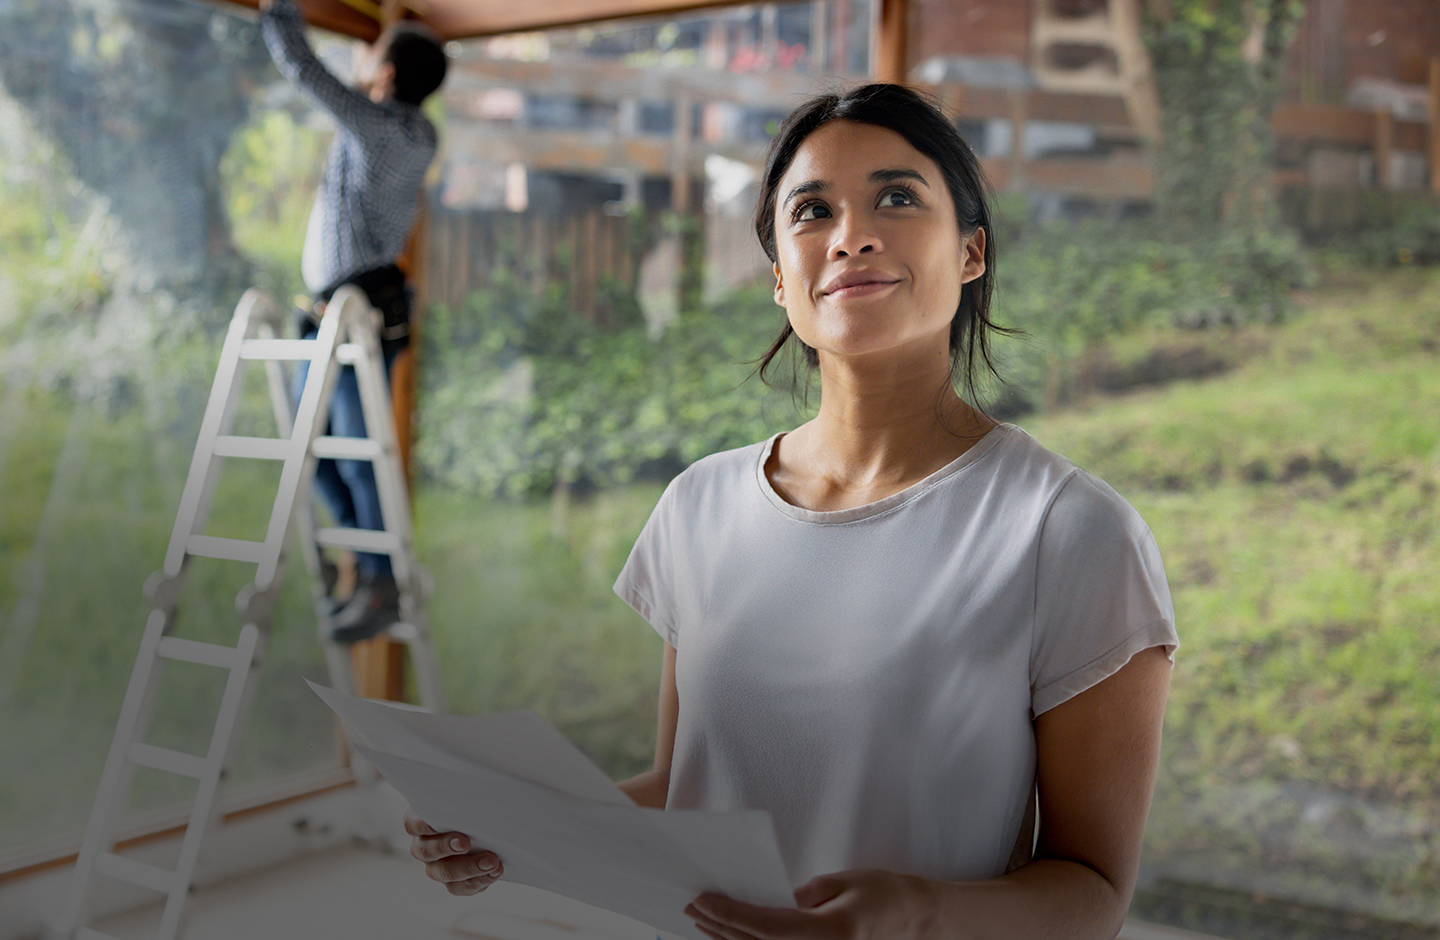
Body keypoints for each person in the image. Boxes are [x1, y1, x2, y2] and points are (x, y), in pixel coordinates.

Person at [407, 83, 1178, 940]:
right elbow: (689, 787)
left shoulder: (1068, 531)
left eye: (896, 197)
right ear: (781, 278)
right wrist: (514, 828)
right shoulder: (698, 504)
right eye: (812, 211)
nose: (852, 235)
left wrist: (919, 914)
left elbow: (1094, 890)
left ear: (971, 251)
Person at [259, 0, 446, 643]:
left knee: (353, 455)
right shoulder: (418, 133)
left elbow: (304, 69)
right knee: (315, 454)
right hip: (350, 307)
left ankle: (378, 581)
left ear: (387, 75)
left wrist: (279, 12)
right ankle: (368, 573)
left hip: (354, 311)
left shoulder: (377, 127)